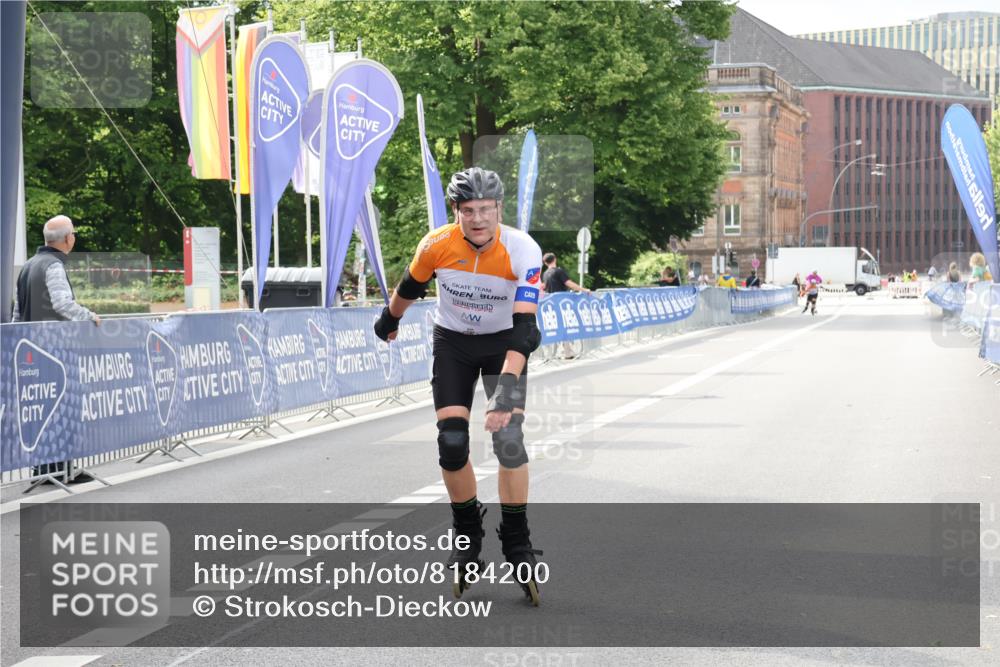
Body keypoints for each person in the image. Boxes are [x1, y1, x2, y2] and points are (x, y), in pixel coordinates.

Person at [373, 167, 545, 605]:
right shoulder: (436, 244)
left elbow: (526, 331)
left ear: (499, 209)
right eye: (468, 210)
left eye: (486, 210)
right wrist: (390, 318)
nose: (478, 219)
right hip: (453, 344)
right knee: (451, 443)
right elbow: (410, 285)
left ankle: (517, 540)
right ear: (457, 212)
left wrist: (504, 393)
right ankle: (467, 534)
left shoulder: (522, 250)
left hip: (503, 342)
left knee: (509, 439)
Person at [13, 215, 100, 486]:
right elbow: (62, 304)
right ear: (67, 239)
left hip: (30, 351)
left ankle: (45, 469)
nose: (73, 237)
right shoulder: (53, 265)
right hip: (55, 350)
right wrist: (89, 316)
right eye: (73, 234)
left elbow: (18, 312)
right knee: (62, 408)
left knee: (41, 410)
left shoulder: (28, 266)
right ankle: (63, 469)